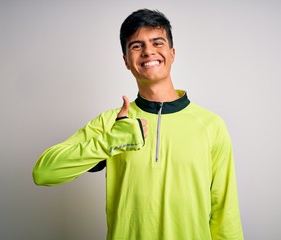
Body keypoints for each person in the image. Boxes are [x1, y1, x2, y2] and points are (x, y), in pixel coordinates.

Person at [33, 8, 244, 240]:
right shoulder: (111, 123)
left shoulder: (211, 125)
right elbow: (44, 173)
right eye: (136, 45)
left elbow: (225, 213)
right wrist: (112, 141)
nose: (148, 52)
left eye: (157, 43)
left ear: (172, 53)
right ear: (126, 61)